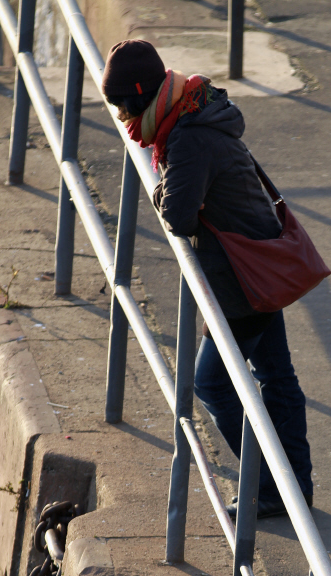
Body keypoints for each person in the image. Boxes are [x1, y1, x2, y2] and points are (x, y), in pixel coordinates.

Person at [101, 39, 313, 518]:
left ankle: (272, 488)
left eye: (120, 106)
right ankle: (293, 486)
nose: (121, 118)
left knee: (212, 384)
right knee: (277, 379)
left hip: (243, 281)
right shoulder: (193, 111)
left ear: (139, 96)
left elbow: (178, 216)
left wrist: (163, 188)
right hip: (256, 262)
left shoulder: (189, 136)